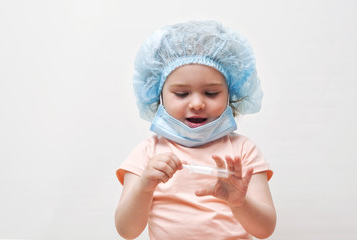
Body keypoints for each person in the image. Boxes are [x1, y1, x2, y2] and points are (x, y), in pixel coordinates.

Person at [115, 20, 276, 240]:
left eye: (211, 93)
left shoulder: (243, 151)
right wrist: (144, 186)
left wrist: (240, 202)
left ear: (231, 94)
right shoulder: (147, 153)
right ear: (158, 95)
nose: (197, 104)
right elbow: (127, 231)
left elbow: (265, 229)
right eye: (181, 94)